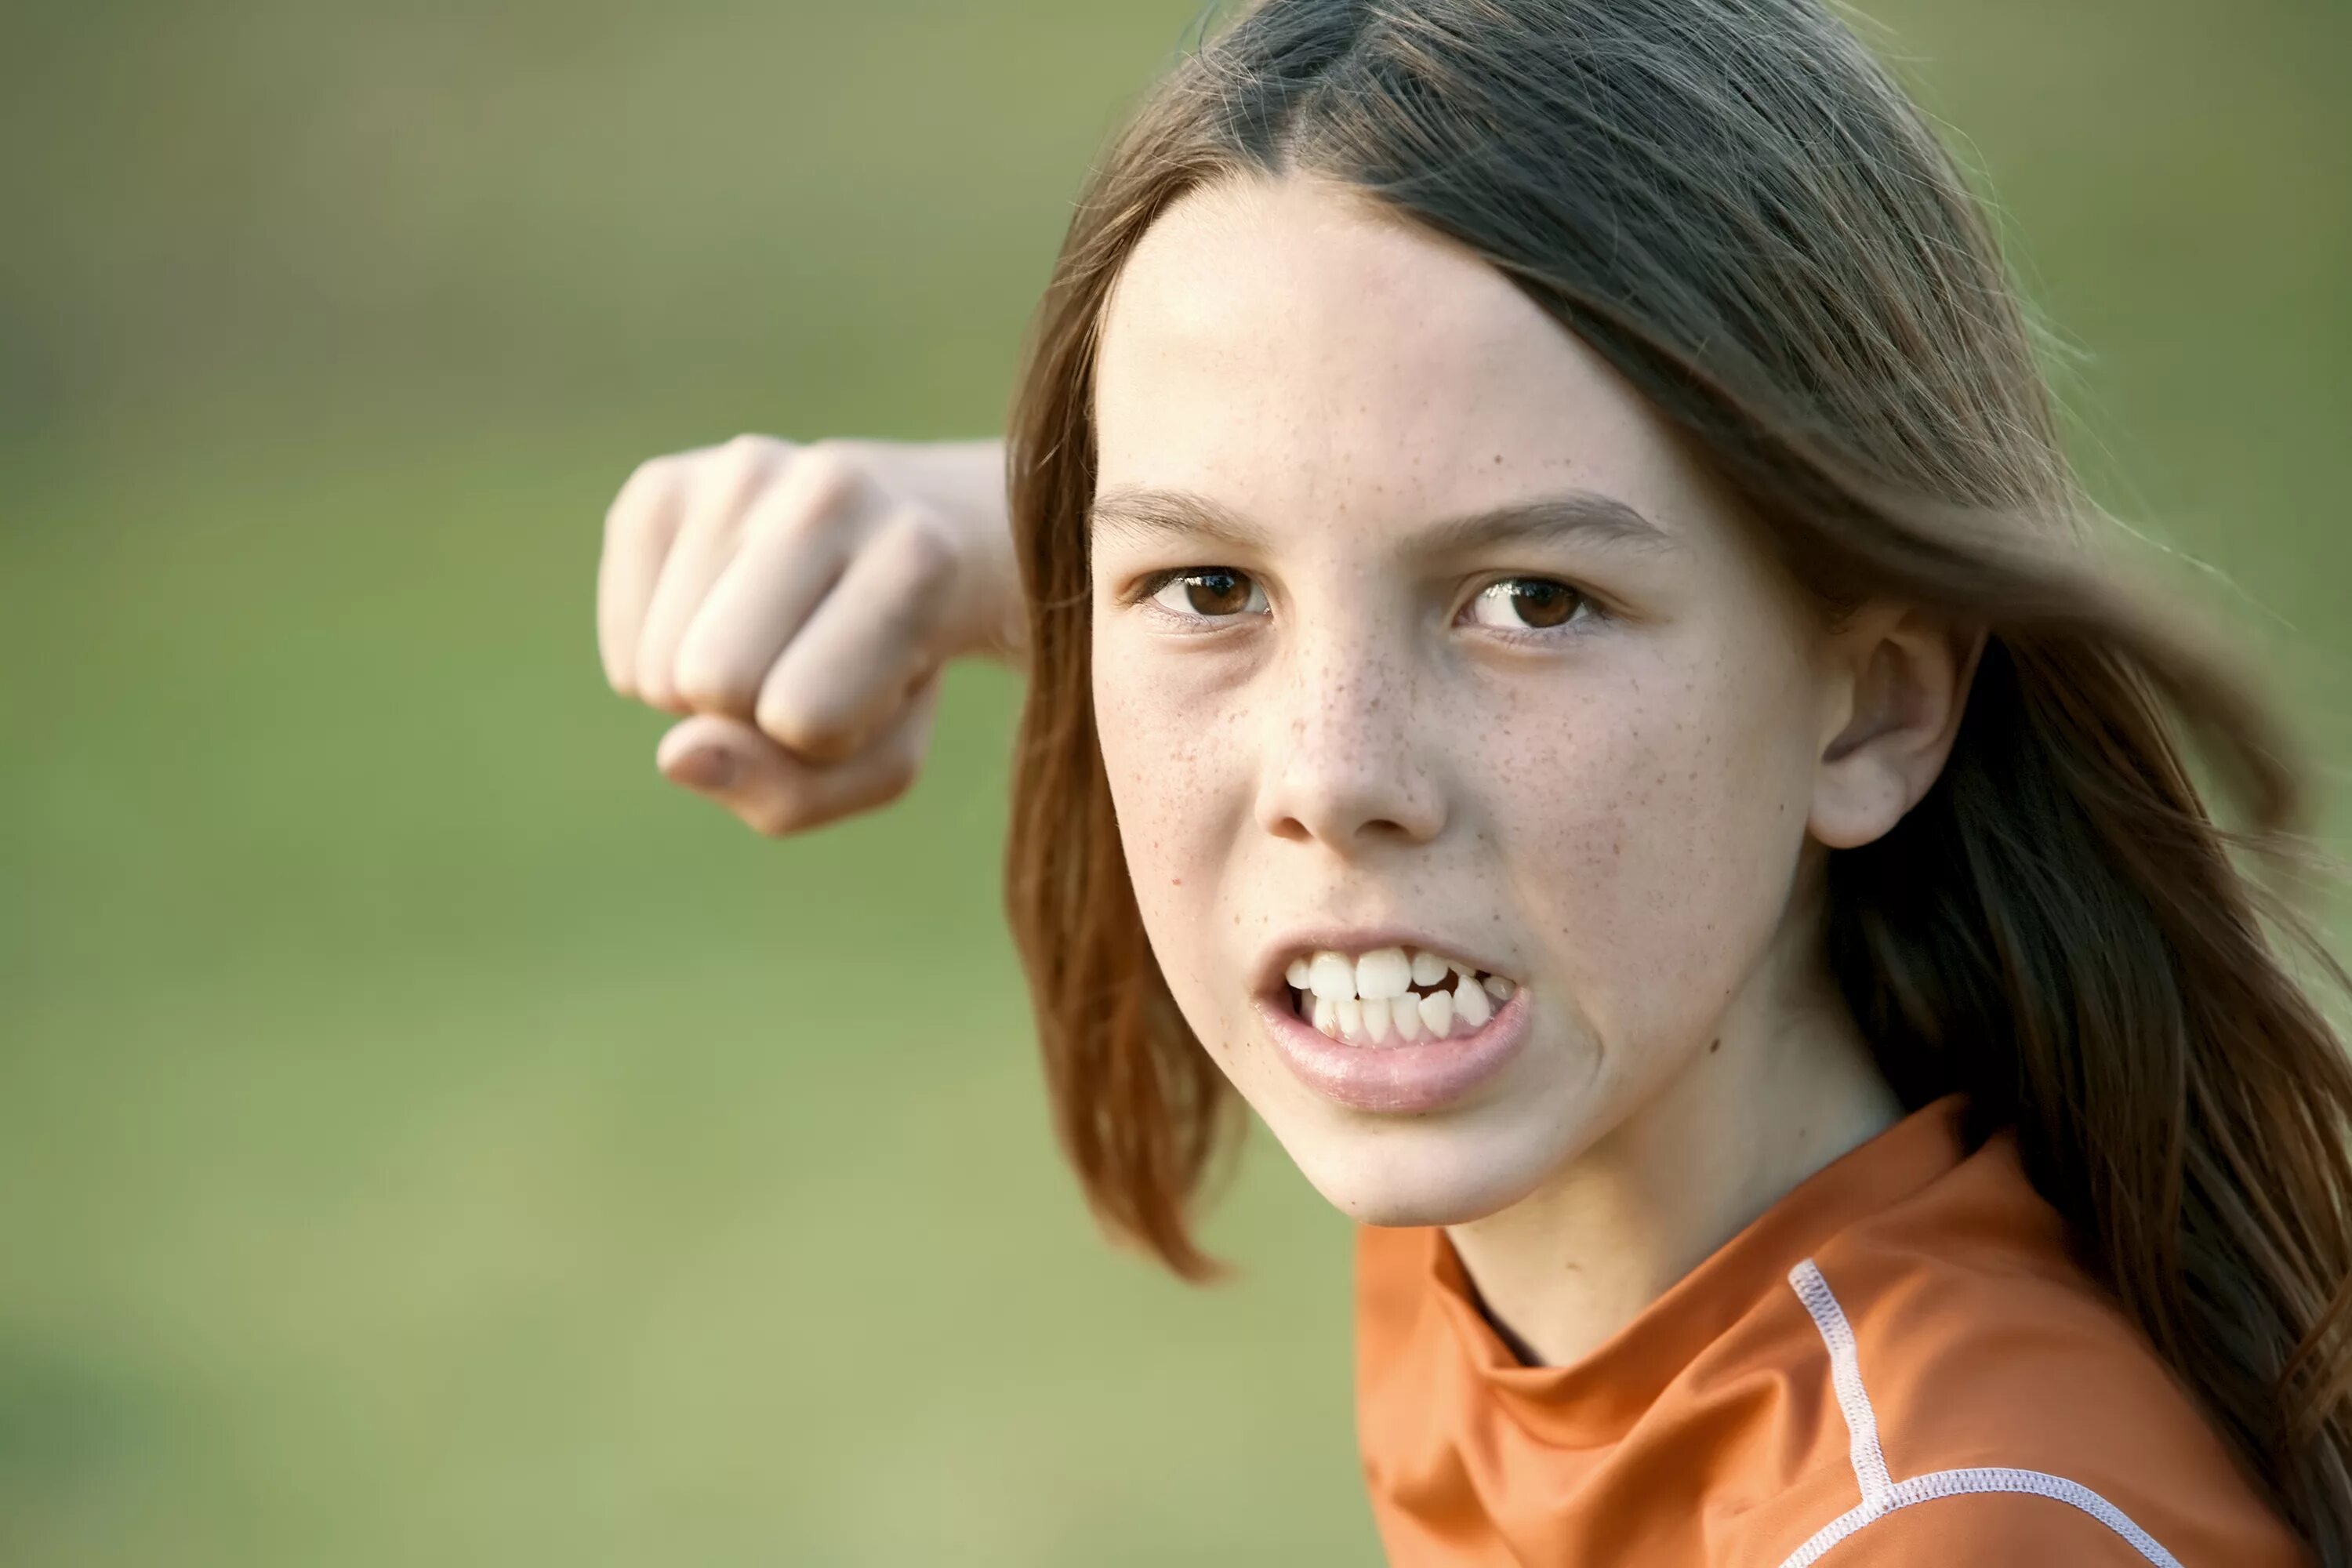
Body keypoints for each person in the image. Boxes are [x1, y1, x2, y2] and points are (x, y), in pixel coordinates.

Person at [592, 0, 2352, 1561]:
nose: (1336, 782)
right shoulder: (1557, 1134)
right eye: (1211, 590)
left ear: (1870, 710)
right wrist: (941, 528)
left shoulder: (1948, 1527)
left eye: (1534, 603)